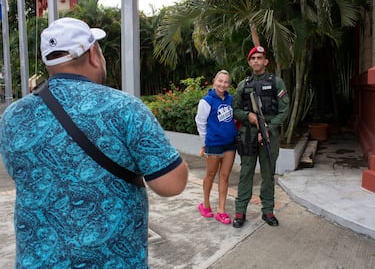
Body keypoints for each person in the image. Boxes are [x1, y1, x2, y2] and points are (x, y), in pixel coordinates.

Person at [0, 17, 188, 268]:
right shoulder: (125, 108)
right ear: (92, 54)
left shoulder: (13, 116)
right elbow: (171, 184)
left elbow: (22, 174)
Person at [232, 46, 289, 228]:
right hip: (248, 134)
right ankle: (240, 212)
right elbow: (235, 109)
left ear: (266, 61)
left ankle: (268, 211)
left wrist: (268, 128)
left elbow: (284, 110)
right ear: (249, 62)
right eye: (253, 58)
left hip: (269, 135)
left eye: (260, 58)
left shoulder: (276, 83)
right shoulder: (243, 85)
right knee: (246, 173)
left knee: (268, 174)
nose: (256, 61)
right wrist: (249, 116)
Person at [195, 70, 238, 225]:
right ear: (214, 81)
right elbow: (200, 123)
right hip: (213, 145)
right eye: (220, 81)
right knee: (210, 175)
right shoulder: (206, 101)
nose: (223, 84)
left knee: (225, 176)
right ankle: (205, 205)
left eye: (226, 82)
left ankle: (221, 210)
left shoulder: (230, 99)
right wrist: (205, 143)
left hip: (230, 144)